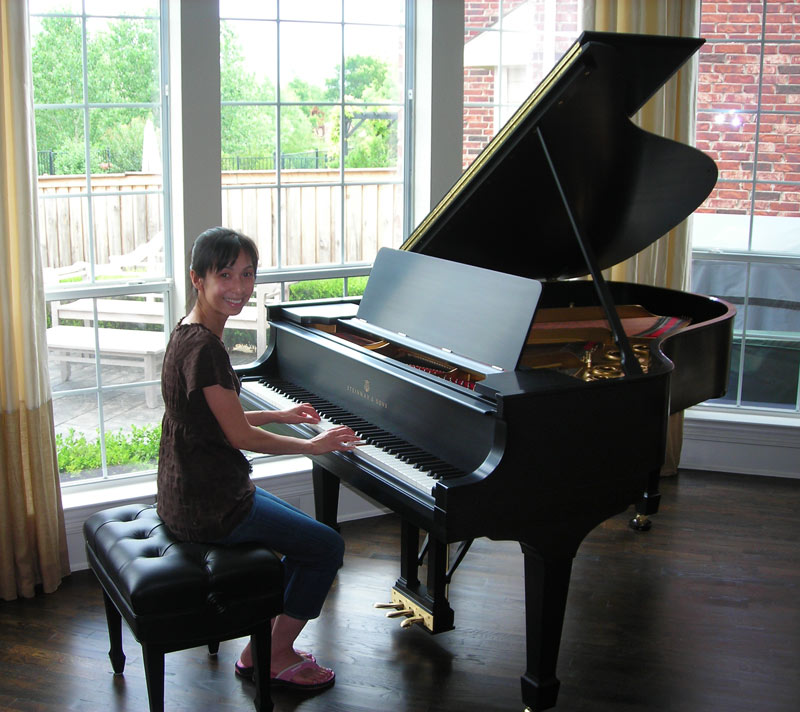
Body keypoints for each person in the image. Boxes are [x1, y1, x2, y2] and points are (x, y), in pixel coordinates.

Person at [156, 226, 361, 692]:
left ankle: (269, 637)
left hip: (187, 491)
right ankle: (270, 655)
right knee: (326, 547)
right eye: (224, 275)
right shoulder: (207, 350)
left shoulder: (187, 333)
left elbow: (213, 416)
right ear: (197, 279)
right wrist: (313, 445)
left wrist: (281, 413)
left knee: (308, 538)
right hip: (212, 505)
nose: (239, 288)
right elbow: (238, 434)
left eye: (247, 275)